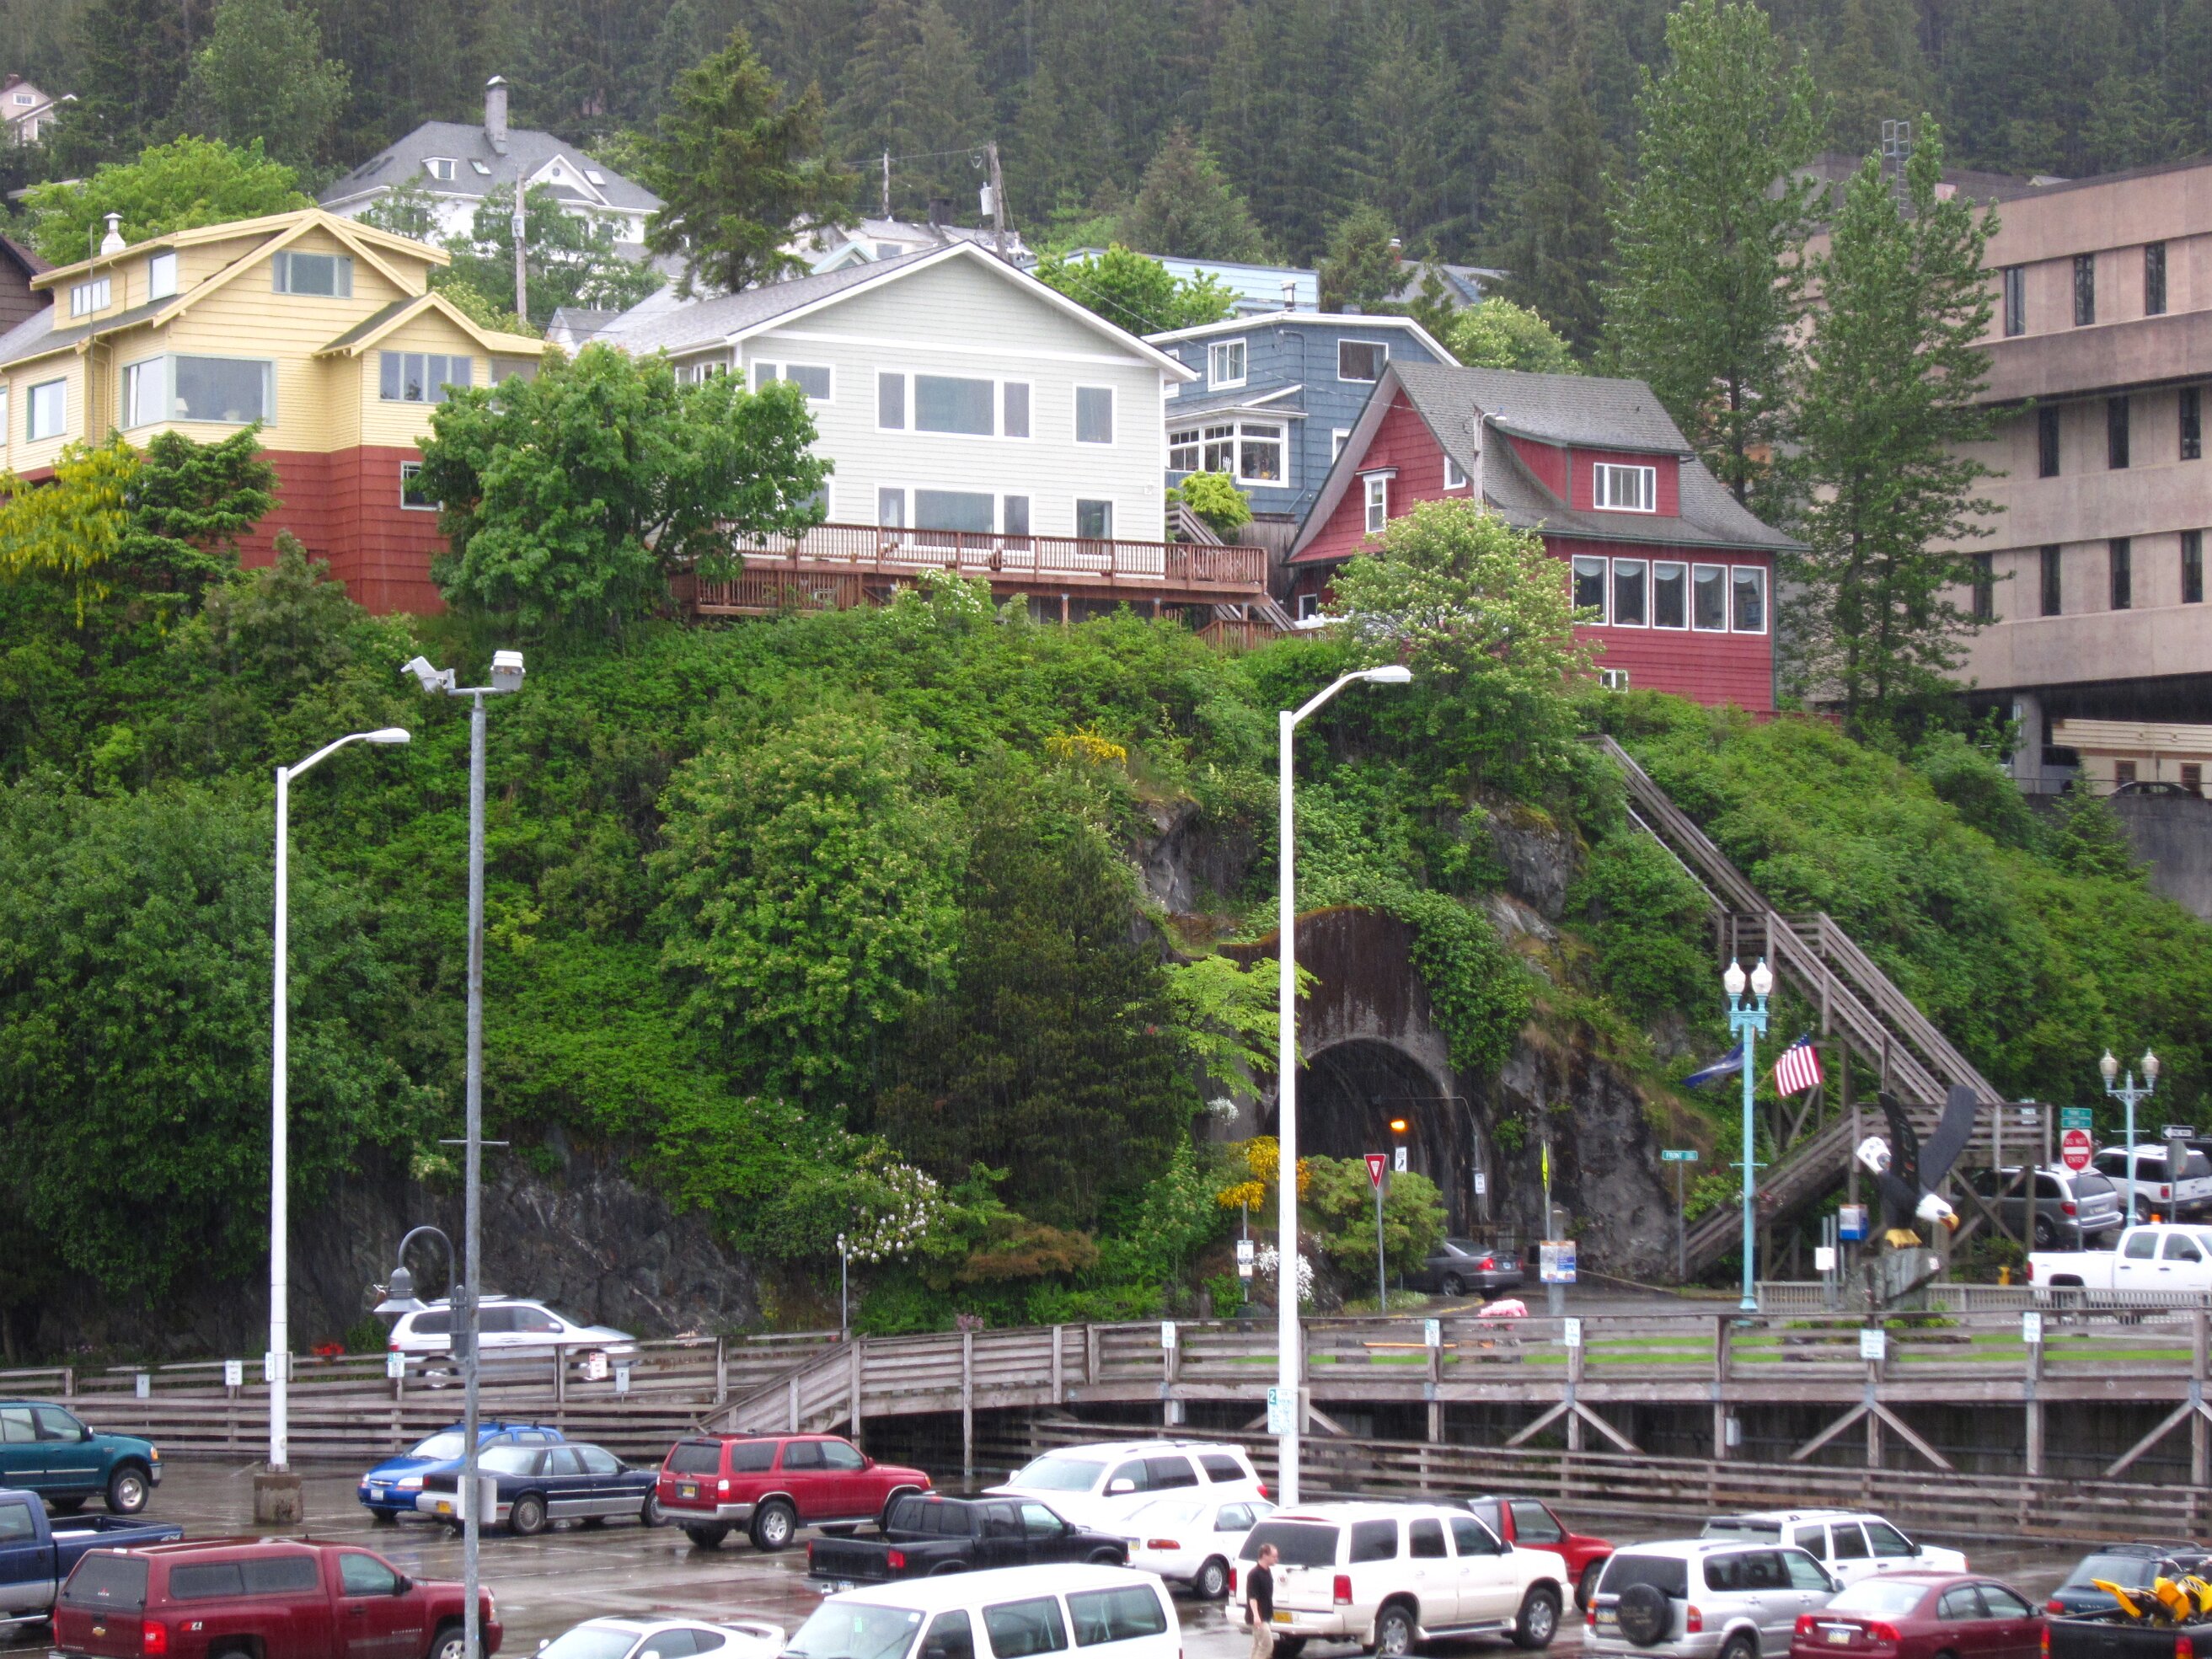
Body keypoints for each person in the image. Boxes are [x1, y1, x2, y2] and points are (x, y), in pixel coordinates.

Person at [1246, 1541, 1279, 1659]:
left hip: (1265, 1615)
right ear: (1265, 1555)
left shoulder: (1267, 1571)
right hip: (1258, 1617)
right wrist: (1256, 1616)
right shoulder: (1254, 1574)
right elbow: (1252, 1597)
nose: (1276, 1559)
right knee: (1267, 1646)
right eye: (1274, 1556)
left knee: (1257, 1645)